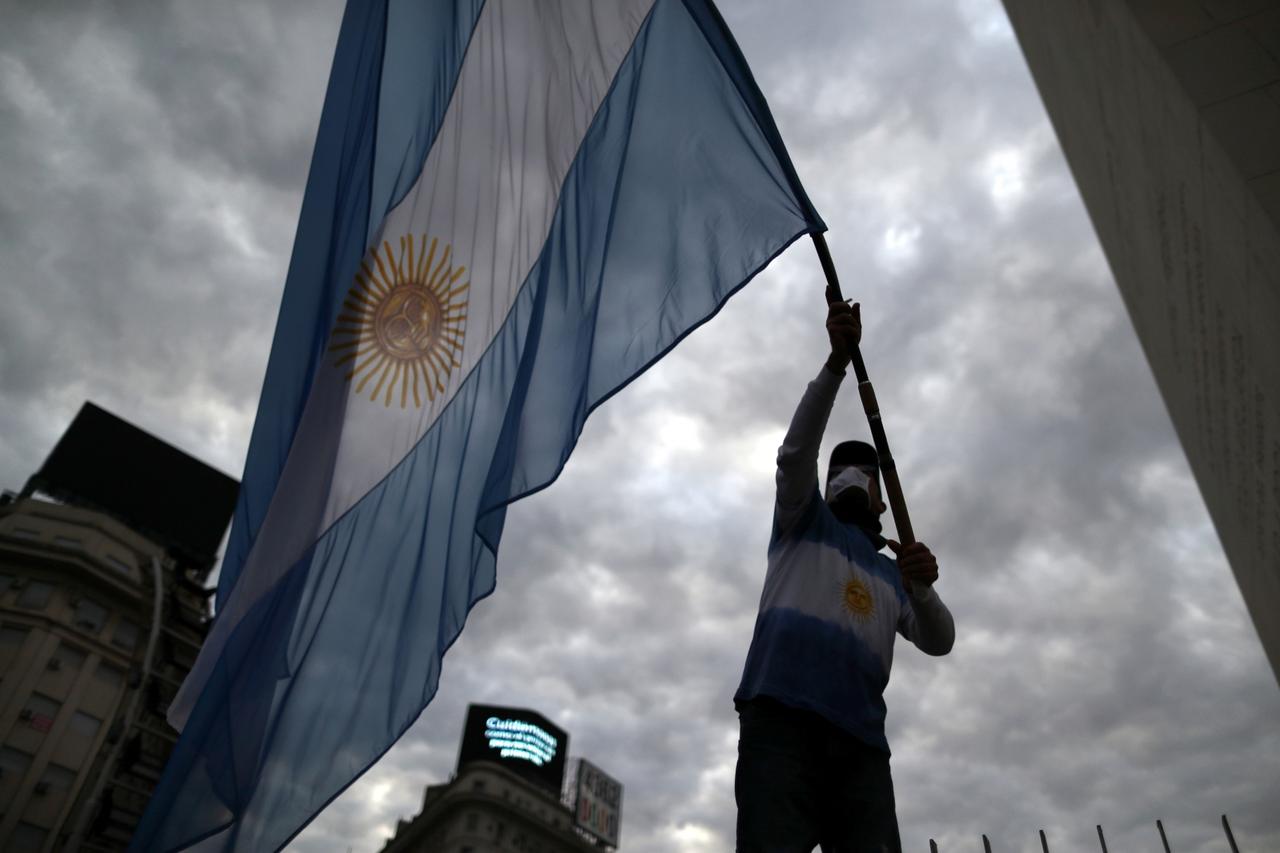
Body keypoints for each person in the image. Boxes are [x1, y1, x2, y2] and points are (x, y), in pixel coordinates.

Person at [733, 299, 955, 853]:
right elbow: (794, 456)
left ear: (882, 501)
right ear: (825, 485)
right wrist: (836, 364)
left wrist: (923, 588)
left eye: (864, 473)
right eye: (840, 471)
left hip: (862, 747)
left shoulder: (895, 574)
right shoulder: (800, 521)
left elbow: (940, 639)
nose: (851, 478)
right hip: (780, 725)